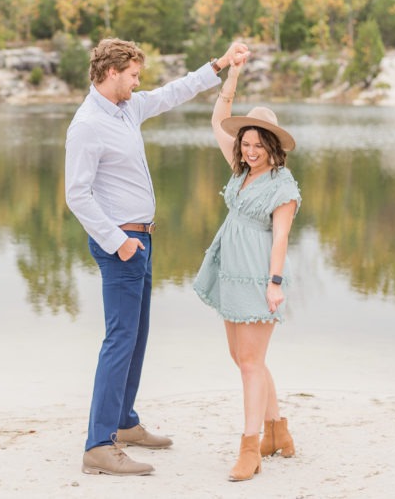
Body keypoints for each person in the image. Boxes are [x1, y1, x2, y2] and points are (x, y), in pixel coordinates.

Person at [65, 37, 249, 476]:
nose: (137, 82)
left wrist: (220, 64)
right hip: (122, 246)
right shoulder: (88, 124)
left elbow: (172, 92)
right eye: (132, 75)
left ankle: (124, 422)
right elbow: (77, 194)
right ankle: (98, 444)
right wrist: (119, 241)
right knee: (119, 340)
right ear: (111, 73)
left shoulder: (126, 108)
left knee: (137, 336)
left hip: (141, 241)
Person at [192, 56, 301, 482]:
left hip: (258, 277)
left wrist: (275, 284)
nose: (250, 151)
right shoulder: (242, 171)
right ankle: (278, 433)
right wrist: (232, 74)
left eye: (258, 145)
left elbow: (280, 239)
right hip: (230, 272)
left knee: (252, 362)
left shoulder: (283, 187)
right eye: (246, 143)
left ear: (274, 147)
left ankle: (250, 447)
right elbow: (219, 119)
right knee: (242, 357)